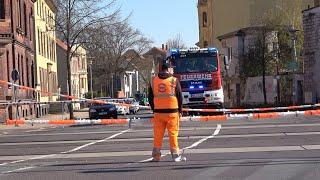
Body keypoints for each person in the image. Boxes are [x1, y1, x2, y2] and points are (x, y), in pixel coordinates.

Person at [148, 62, 186, 162]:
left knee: (158, 135)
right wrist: (180, 110)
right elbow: (179, 96)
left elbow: (150, 98)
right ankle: (175, 156)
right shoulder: (174, 80)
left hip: (158, 113)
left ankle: (156, 156)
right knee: (173, 134)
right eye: (172, 68)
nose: (173, 70)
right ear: (168, 69)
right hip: (172, 112)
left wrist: (154, 109)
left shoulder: (154, 81)